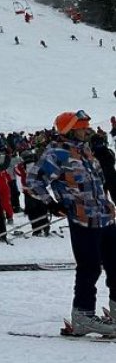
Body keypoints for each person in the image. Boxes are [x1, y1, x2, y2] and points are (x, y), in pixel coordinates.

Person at [27, 110, 116, 336]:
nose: (88, 129)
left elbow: (98, 182)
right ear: (70, 129)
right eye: (83, 126)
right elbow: (33, 181)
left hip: (104, 217)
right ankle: (83, 316)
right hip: (83, 220)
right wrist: (50, 203)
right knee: (90, 268)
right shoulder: (56, 154)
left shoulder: (85, 151)